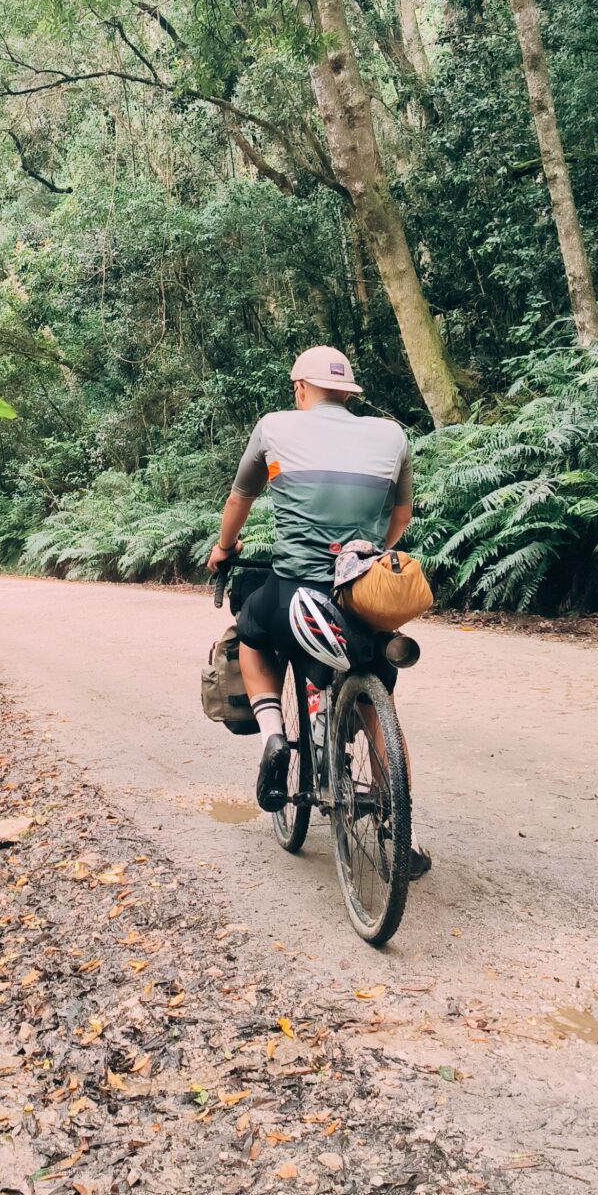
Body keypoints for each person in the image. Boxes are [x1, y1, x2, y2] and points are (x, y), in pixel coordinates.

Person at [205, 346, 431, 879]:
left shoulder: (274, 426)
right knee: (378, 703)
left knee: (253, 636)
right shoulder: (391, 435)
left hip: (296, 589)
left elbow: (240, 501)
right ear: (349, 394)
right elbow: (401, 514)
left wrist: (224, 549)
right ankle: (404, 833)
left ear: (300, 390)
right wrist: (371, 549)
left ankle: (273, 736)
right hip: (362, 594)